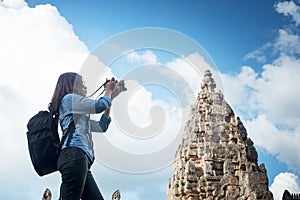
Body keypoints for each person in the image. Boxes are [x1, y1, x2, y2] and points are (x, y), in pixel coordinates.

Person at [50, 72, 120, 200]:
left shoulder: (78, 115)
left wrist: (111, 97)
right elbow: (100, 105)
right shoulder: (69, 99)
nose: (85, 87)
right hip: (74, 155)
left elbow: (102, 126)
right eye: (82, 84)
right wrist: (108, 91)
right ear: (73, 85)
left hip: (80, 160)